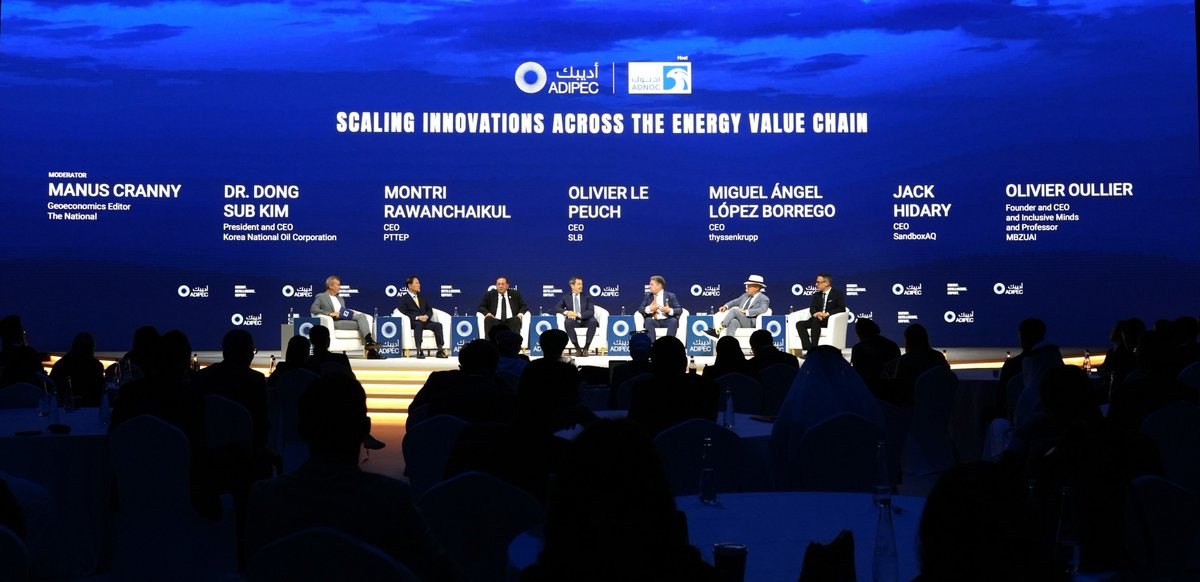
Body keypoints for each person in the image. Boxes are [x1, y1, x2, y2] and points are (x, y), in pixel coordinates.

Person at [244, 374, 459, 582]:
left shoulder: (263, 497)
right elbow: (441, 571)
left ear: (301, 429)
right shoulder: (393, 500)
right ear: (366, 428)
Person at [627, 336, 720, 437]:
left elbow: (635, 429)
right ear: (685, 362)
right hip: (697, 444)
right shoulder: (707, 387)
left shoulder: (642, 391)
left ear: (653, 363)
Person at [309, 275, 379, 348]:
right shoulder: (321, 296)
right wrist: (330, 314)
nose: (340, 287)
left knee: (362, 316)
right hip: (335, 321)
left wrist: (350, 312)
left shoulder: (340, 298)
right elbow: (313, 309)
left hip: (344, 317)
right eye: (338, 285)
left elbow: (342, 310)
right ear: (331, 286)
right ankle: (369, 344)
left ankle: (369, 340)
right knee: (362, 325)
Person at [891, 324, 949, 407]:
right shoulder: (938, 356)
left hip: (912, 406)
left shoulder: (905, 360)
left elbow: (899, 388)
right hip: (938, 404)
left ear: (908, 341)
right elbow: (947, 374)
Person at [849, 319, 901, 403]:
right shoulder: (892, 345)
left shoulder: (858, 348)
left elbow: (857, 373)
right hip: (891, 392)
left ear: (859, 333)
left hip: (868, 393)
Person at [49, 332, 106, 407]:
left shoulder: (61, 364)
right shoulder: (97, 366)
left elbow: (52, 386)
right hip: (90, 406)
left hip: (64, 406)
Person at [396, 275, 446, 359]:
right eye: (417, 283)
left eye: (419, 283)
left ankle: (440, 350)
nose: (419, 285)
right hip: (414, 322)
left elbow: (429, 310)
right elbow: (404, 312)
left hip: (425, 321)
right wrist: (417, 317)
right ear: (410, 285)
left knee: (438, 325)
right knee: (419, 325)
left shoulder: (423, 297)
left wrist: (426, 316)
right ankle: (419, 350)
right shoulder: (404, 299)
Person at [794, 272, 846, 353]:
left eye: (818, 282)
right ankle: (808, 348)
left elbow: (842, 308)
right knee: (800, 324)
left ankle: (814, 349)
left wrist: (826, 314)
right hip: (817, 318)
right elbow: (812, 308)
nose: (816, 284)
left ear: (826, 283)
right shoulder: (817, 295)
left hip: (829, 320)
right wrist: (816, 313)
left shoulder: (837, 294)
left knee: (815, 320)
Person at [557, 276, 599, 355]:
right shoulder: (566, 297)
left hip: (585, 320)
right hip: (573, 321)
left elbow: (591, 311)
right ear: (572, 286)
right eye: (579, 284)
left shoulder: (587, 297)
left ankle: (586, 348)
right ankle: (577, 348)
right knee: (567, 322)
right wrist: (567, 312)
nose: (581, 286)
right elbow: (557, 308)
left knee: (593, 321)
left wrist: (577, 314)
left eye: (582, 284)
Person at [637, 275, 682, 342]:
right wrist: (649, 308)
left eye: (652, 284)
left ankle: (669, 344)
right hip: (654, 321)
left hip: (667, 320)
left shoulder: (670, 296)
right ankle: (653, 344)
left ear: (659, 286)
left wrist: (669, 310)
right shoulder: (648, 296)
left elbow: (679, 310)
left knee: (673, 321)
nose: (649, 286)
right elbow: (640, 309)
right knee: (648, 320)